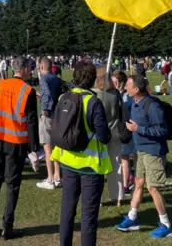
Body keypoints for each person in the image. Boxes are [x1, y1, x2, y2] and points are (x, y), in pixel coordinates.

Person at [51, 61, 112, 246]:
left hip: (68, 162)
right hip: (90, 166)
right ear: (93, 79)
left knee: (67, 211)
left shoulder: (64, 97)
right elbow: (104, 136)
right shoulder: (93, 102)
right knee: (88, 216)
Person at [0, 56, 39, 240]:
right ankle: (7, 226)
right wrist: (34, 148)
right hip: (14, 142)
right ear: (22, 69)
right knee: (12, 184)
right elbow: (31, 121)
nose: (31, 71)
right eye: (29, 68)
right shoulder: (27, 91)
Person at [116, 75, 172, 239]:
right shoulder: (134, 103)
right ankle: (132, 218)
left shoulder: (153, 106)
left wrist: (138, 128)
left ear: (136, 89)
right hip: (140, 151)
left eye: (127, 85)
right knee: (139, 182)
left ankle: (167, 225)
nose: (125, 87)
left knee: (153, 187)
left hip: (154, 152)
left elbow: (162, 131)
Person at [93, 66, 125, 206]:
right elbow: (122, 111)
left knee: (99, 166)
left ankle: (99, 198)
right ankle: (117, 196)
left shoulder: (95, 94)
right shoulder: (115, 93)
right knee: (116, 165)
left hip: (100, 134)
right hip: (114, 132)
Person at [36, 57, 63, 190]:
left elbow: (47, 93)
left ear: (41, 67)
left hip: (48, 114)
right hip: (57, 114)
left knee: (48, 148)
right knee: (56, 147)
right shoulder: (55, 78)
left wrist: (45, 107)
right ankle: (58, 176)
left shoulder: (44, 78)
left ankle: (50, 178)